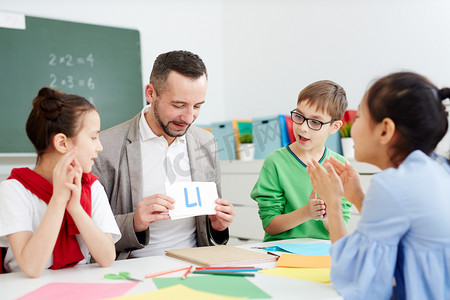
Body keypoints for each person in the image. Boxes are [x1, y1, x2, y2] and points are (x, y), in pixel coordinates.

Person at [307, 72, 450, 300]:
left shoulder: (393, 185)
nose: (351, 126)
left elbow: (355, 281)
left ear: (385, 130)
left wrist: (332, 203)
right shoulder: (438, 168)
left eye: (360, 117)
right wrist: (357, 196)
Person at [92, 50, 235, 259]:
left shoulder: (206, 142)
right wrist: (134, 222)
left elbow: (210, 231)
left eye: (197, 106)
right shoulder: (105, 148)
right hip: (131, 269)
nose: (188, 117)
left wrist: (218, 226)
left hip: (195, 265)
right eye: (178, 105)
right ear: (151, 93)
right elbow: (88, 234)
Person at [0, 88, 121, 277]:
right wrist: (58, 201)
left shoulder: (91, 187)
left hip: (80, 286)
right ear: (62, 143)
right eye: (93, 137)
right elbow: (31, 268)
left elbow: (106, 258)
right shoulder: (13, 190)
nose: (100, 146)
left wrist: (75, 208)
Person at [251, 80, 352, 242]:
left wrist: (327, 212)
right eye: (299, 116)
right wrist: (307, 212)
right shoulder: (276, 162)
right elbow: (270, 225)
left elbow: (339, 228)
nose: (303, 127)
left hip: (322, 253)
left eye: (315, 122)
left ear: (334, 127)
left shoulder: (340, 167)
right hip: (281, 252)